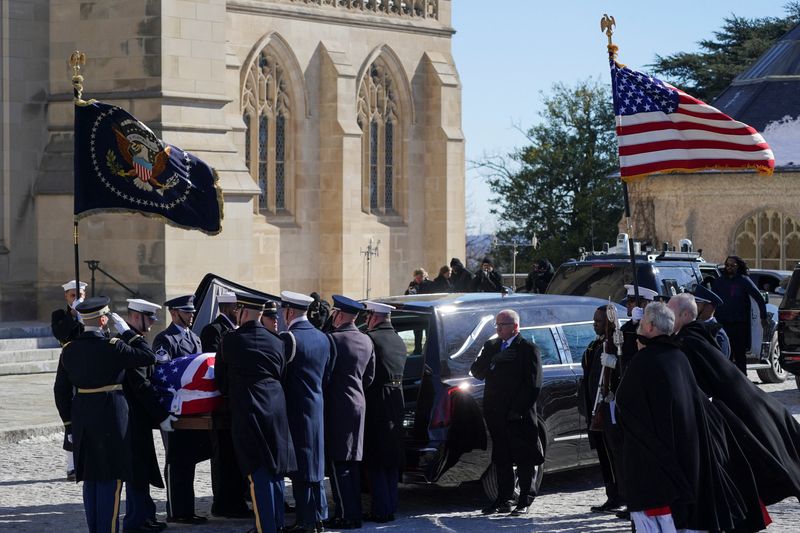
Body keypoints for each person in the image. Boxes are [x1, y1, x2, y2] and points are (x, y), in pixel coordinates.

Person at [616, 302, 766, 532]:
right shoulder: (678, 358)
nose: (638, 327)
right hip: (687, 462)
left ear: (651, 327)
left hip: (655, 471)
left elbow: (628, 410)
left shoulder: (644, 363)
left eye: (643, 323)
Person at [669, 292, 800, 506]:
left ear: (684, 314)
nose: (668, 315)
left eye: (671, 311)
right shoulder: (694, 337)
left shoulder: (690, 341)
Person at [53, 297, 158, 533]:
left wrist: (69, 424)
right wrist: (128, 332)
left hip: (82, 418)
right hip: (112, 417)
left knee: (90, 480)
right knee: (111, 478)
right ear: (103, 320)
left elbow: (60, 391)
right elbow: (148, 356)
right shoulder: (114, 346)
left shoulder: (69, 349)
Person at [216, 294, 296, 533]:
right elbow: (281, 371)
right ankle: (277, 523)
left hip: (248, 406)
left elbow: (221, 382)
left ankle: (265, 527)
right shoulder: (278, 341)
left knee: (257, 470)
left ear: (241, 311)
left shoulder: (230, 340)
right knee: (276, 468)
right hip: (276, 405)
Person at [470, 309, 542, 517]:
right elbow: (476, 371)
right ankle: (504, 498)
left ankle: (525, 500)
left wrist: (518, 410)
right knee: (501, 457)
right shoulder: (492, 346)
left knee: (523, 458)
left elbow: (533, 385)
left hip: (518, 415)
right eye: (497, 325)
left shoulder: (528, 349)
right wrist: (495, 360)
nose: (498, 328)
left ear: (515, 327)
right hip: (496, 413)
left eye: (503, 325)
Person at [152, 294, 210, 525]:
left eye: (192, 311)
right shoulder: (165, 340)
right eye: (187, 312)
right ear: (174, 313)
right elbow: (164, 373)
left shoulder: (194, 337)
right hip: (175, 408)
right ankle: (178, 510)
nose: (191, 315)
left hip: (192, 408)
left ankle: (188, 508)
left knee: (189, 459)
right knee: (177, 461)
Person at [280, 291, 334, 533]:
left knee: (301, 465)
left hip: (295, 408)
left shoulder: (289, 338)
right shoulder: (324, 337)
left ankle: (306, 520)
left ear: (290, 311)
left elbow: (281, 376)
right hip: (317, 405)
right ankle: (317, 516)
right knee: (314, 462)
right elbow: (327, 375)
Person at [323, 295, 376, 530]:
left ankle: (346, 514)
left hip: (337, 405)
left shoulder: (332, 340)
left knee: (338, 461)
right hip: (358, 403)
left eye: (335, 313)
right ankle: (353, 511)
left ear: (340, 315)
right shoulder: (366, 340)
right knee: (353, 461)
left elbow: (325, 376)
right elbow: (370, 377)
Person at [121, 298, 172, 533]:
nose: (152, 323)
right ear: (134, 317)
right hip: (131, 418)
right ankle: (135, 521)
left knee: (143, 467)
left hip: (139, 418)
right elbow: (141, 385)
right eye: (148, 318)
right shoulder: (130, 345)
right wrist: (161, 414)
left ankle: (145, 516)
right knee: (136, 470)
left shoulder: (136, 341)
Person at [200, 291, 251, 519]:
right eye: (237, 308)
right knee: (223, 456)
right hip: (222, 403)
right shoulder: (214, 330)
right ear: (231, 308)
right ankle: (224, 503)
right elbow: (214, 366)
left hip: (235, 404)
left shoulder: (235, 330)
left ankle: (238, 497)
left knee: (235, 454)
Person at [363, 301, 407, 523]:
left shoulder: (371, 338)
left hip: (376, 400)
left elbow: (366, 375)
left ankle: (380, 509)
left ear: (373, 316)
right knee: (390, 457)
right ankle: (390, 505)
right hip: (396, 399)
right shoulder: (398, 339)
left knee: (375, 458)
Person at [580, 306, 624, 515]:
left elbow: (621, 373)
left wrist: (615, 361)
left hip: (610, 410)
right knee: (604, 457)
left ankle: (621, 495)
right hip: (595, 409)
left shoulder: (617, 343)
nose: (594, 325)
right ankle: (612, 495)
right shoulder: (595, 345)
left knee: (614, 456)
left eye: (598, 321)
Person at [51, 279, 87, 481]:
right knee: (65, 400)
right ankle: (71, 464)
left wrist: (85, 316)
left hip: (89, 362)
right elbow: (60, 334)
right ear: (66, 297)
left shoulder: (92, 313)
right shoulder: (60, 315)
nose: (76, 299)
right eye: (72, 296)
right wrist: (74, 316)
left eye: (79, 296)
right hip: (68, 361)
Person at [712, 255, 767, 374]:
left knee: (740, 355)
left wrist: (763, 316)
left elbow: (759, 298)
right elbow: (712, 301)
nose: (729, 267)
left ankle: (743, 381)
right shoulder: (719, 282)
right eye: (727, 265)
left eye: (732, 265)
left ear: (738, 266)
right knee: (725, 354)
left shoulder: (744, 280)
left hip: (739, 324)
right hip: (722, 324)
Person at [692, 284, 731, 359]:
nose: (693, 306)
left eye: (697, 303)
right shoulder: (696, 326)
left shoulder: (718, 335)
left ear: (709, 307)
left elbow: (721, 365)